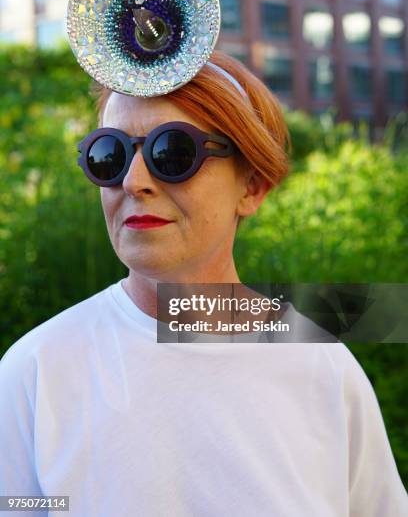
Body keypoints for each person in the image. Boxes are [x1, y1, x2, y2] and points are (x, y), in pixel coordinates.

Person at [0, 51, 407, 516]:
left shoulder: (323, 368)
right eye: (108, 155)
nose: (134, 182)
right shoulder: (36, 373)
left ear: (251, 186)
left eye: (172, 152)